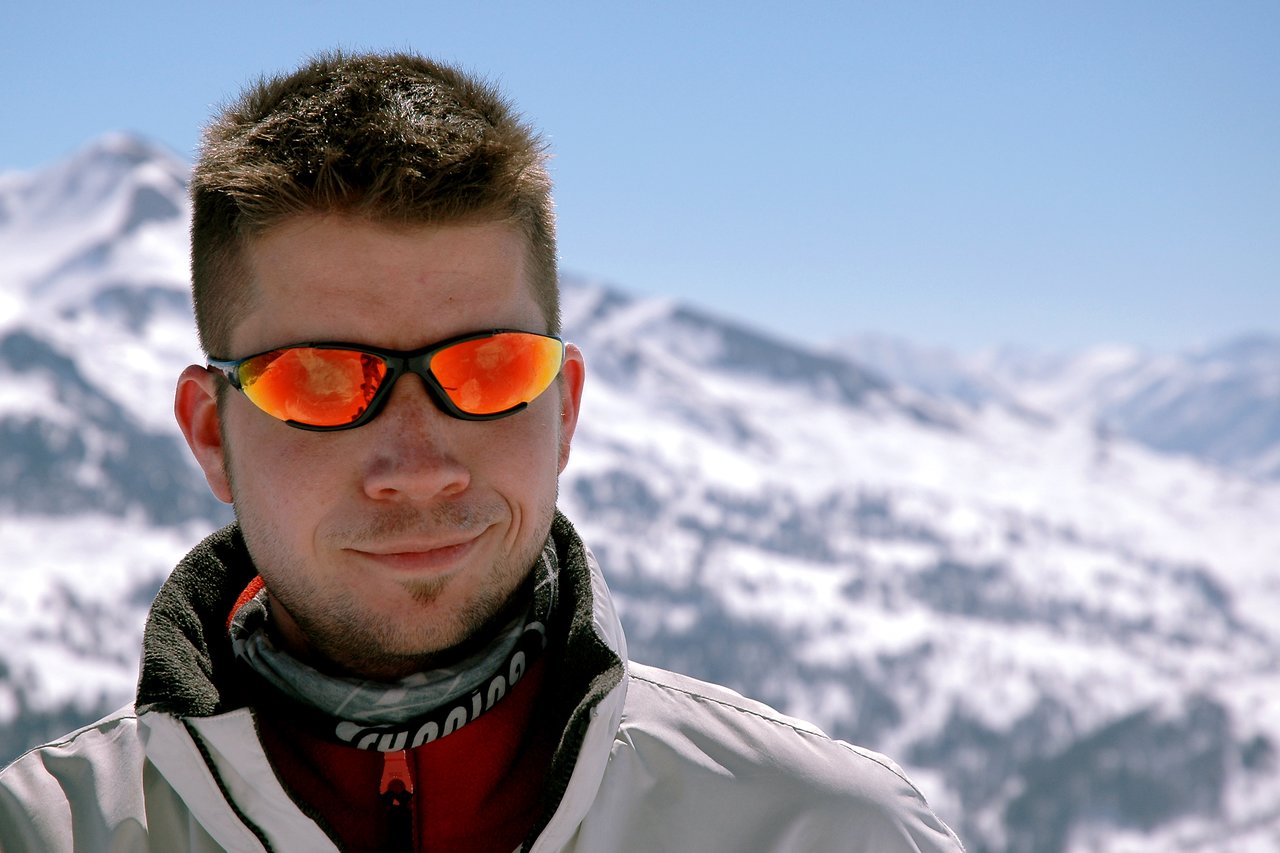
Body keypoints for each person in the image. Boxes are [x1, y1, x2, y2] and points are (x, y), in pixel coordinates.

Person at [0, 51, 964, 852]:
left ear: (565, 409)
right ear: (213, 433)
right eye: (321, 379)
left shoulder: (820, 831)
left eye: (489, 371)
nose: (419, 464)